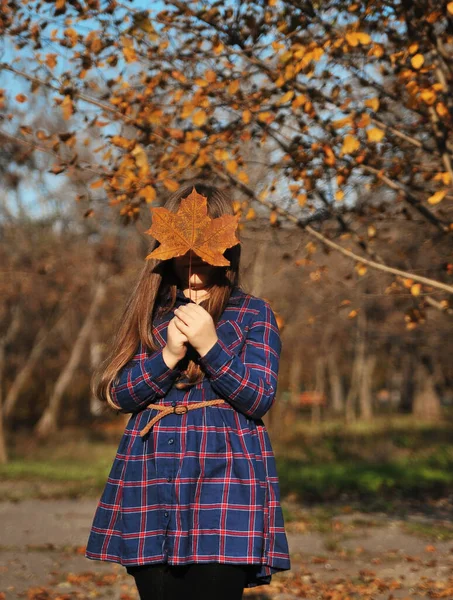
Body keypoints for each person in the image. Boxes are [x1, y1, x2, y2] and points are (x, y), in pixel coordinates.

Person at [85, 182, 291, 600]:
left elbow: (260, 396)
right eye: (182, 255)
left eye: (204, 255)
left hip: (226, 481)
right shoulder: (152, 311)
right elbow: (117, 393)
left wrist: (211, 347)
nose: (193, 268)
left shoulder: (253, 312)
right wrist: (167, 356)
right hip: (151, 478)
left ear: (226, 249)